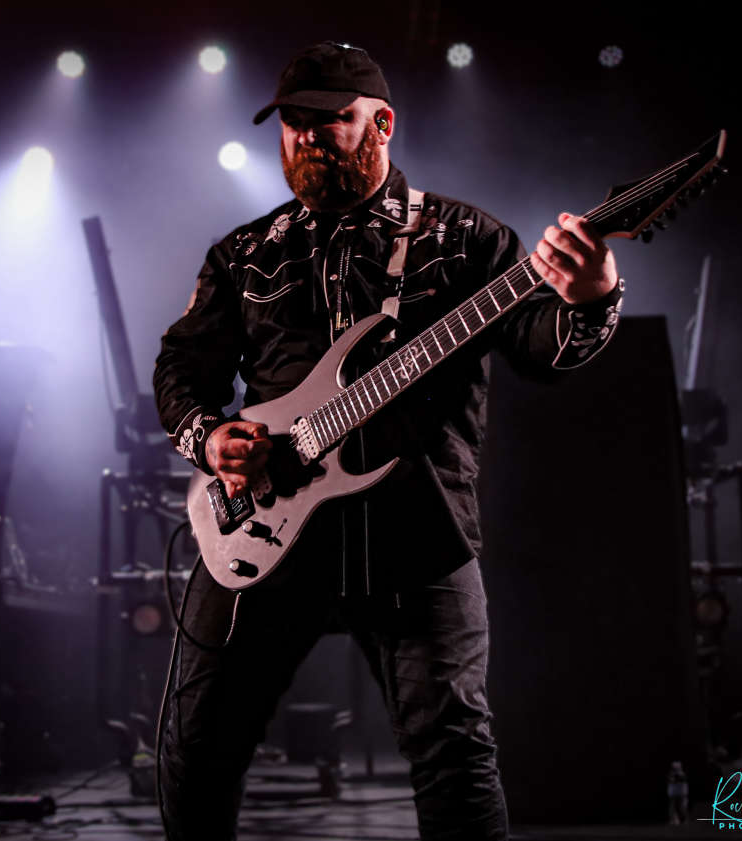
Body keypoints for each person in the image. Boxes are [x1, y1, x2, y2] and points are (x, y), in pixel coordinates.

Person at [153, 41, 622, 841]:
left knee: (454, 755)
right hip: (265, 527)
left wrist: (591, 298)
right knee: (195, 749)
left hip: (417, 531)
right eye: (293, 123)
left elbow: (541, 351)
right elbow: (180, 370)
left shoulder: (465, 238)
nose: (307, 136)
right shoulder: (245, 253)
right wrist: (212, 437)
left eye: (330, 119)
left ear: (382, 123)